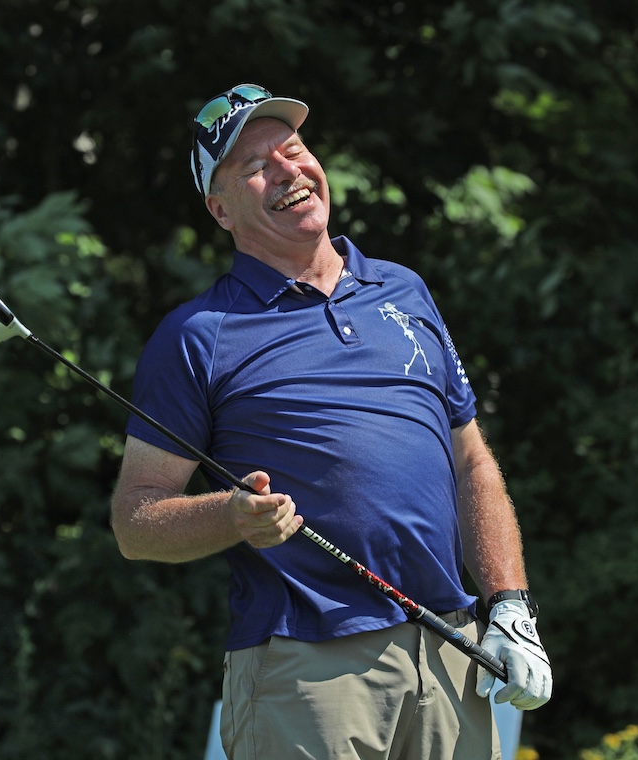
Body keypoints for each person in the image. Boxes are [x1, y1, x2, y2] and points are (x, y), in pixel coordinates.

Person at [110, 83, 552, 760]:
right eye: (255, 166)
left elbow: (472, 463)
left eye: (292, 148)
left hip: (449, 651)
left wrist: (510, 606)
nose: (287, 170)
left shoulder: (404, 291)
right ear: (220, 209)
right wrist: (232, 516)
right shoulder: (197, 336)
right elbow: (136, 523)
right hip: (306, 669)